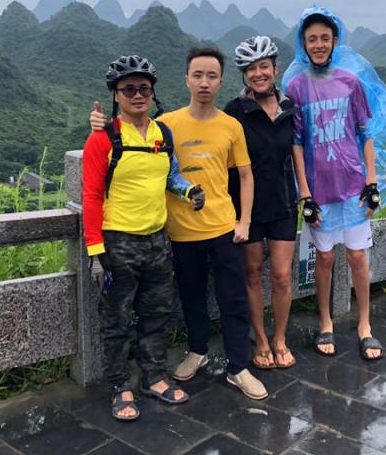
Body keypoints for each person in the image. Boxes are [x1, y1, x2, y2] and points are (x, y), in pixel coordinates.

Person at [90, 46, 268, 400]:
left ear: (221, 81)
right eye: (197, 75)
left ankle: (238, 367)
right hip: (177, 233)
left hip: (222, 228)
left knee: (231, 300)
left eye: (212, 76)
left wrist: (243, 220)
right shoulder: (166, 124)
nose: (204, 82)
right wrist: (99, 124)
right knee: (189, 299)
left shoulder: (225, 126)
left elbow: (241, 175)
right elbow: (116, 146)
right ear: (186, 79)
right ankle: (195, 352)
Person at [82, 54, 205, 422]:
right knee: (117, 318)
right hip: (117, 243)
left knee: (157, 312)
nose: (138, 95)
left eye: (144, 89)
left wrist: (188, 192)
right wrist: (95, 250)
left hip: (157, 240)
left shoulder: (162, 134)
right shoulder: (102, 139)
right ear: (116, 95)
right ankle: (120, 385)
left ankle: (154, 376)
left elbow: (171, 176)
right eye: (129, 89)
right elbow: (91, 195)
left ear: (153, 93)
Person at [282, 7, 386, 361]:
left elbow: (365, 134)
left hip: (353, 187)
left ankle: (365, 324)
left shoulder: (351, 83)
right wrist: (304, 193)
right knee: (323, 258)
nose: (319, 45)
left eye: (325, 38)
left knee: (357, 257)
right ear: (303, 44)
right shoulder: (296, 87)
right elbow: (296, 143)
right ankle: (326, 322)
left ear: (335, 41)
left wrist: (372, 181)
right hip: (319, 190)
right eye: (312, 39)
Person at [224, 36, 298, 370]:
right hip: (247, 209)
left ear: (275, 69)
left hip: (284, 203)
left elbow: (300, 154)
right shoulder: (235, 111)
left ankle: (280, 338)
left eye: (263, 66)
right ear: (244, 74)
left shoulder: (289, 108)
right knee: (252, 273)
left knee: (282, 276)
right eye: (251, 69)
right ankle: (261, 339)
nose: (258, 74)